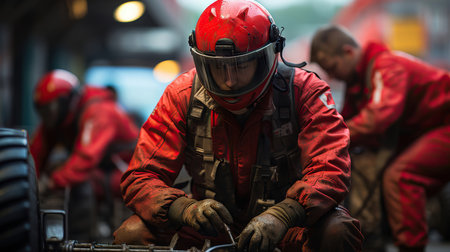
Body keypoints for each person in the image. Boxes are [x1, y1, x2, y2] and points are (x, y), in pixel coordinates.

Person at [113, 1, 363, 251]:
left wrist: (286, 214)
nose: (230, 82)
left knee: (337, 232)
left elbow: (330, 168)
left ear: (269, 55)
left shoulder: (305, 92)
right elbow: (141, 176)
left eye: (241, 66)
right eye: (218, 68)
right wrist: (183, 209)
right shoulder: (181, 95)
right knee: (132, 234)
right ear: (201, 61)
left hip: (287, 230)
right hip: (208, 230)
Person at [310, 24, 450, 252]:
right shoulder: (359, 80)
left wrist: (332, 138)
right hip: (430, 132)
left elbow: (377, 118)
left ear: (348, 52)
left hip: (444, 125)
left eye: (332, 67)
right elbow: (346, 121)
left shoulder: (386, 66)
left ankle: (410, 247)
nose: (332, 76)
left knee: (401, 175)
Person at [30, 69, 139, 239]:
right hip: (104, 170)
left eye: (50, 110)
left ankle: (83, 238)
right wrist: (31, 182)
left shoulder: (98, 111)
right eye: (43, 112)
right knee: (64, 171)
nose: (47, 117)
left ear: (67, 101)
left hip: (129, 173)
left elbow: (85, 160)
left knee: (79, 179)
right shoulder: (61, 118)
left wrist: (50, 183)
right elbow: (36, 154)